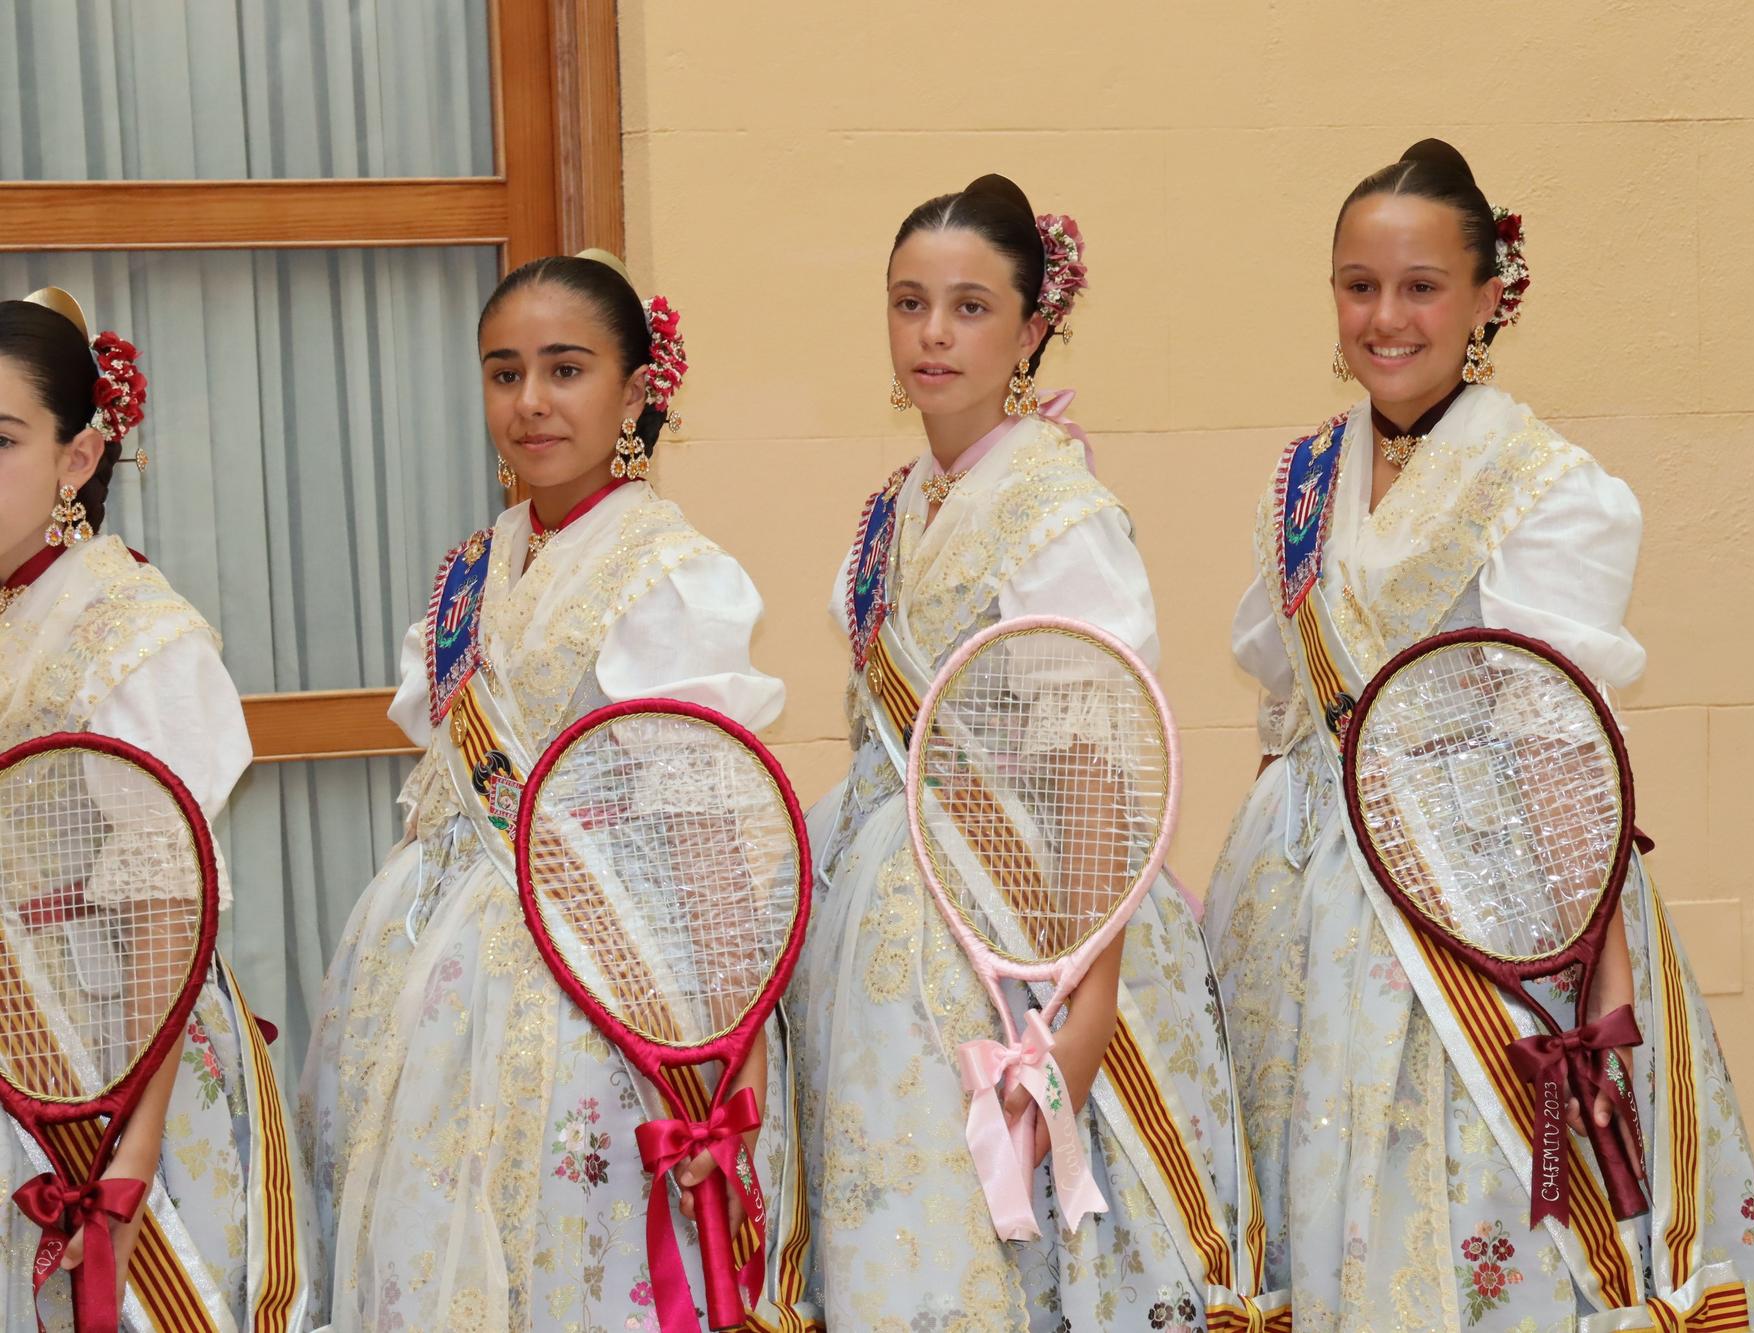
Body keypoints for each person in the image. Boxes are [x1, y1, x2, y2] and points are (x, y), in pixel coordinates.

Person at [1204, 140, 1754, 1330]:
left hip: (1486, 912)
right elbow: (1286, 704)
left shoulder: (1544, 485)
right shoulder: (1303, 474)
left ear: (1487, 297)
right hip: (1302, 909)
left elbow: (1564, 752)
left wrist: (1596, 1008)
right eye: (1356, 283)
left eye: (1419, 285)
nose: (1384, 315)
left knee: (1488, 1202)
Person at [300, 253, 812, 1330]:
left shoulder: (667, 569)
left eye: (565, 369)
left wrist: (722, 1064)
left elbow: (708, 833)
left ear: (634, 390)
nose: (530, 401)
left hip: (600, 986)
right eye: (504, 372)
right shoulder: (471, 569)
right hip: (438, 971)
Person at [794, 175, 1267, 1331]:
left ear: (1030, 325)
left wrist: (1087, 1004)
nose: (933, 334)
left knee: (1014, 1223)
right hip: (886, 915)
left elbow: (1100, 762)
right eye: (909, 304)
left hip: (1026, 931)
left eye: (968, 306)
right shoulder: (892, 506)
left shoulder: (1057, 509)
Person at [0, 287, 314, 1328]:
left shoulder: (133, 632)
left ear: (77, 460)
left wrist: (127, 1162)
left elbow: (164, 907)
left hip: (108, 1055)